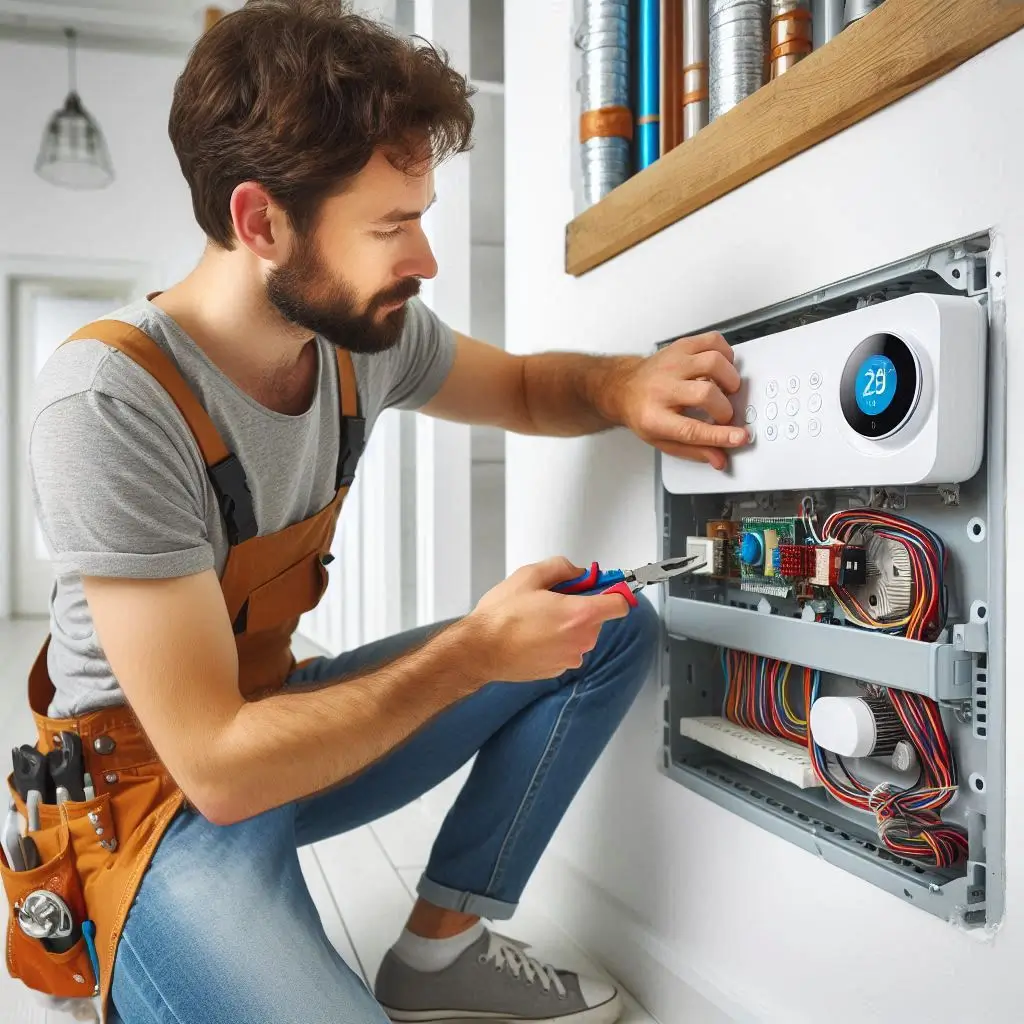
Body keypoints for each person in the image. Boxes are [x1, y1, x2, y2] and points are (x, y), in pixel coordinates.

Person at [25, 2, 748, 1023]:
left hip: (271, 716)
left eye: (421, 215)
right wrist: (474, 654)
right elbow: (217, 768)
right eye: (390, 226)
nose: (425, 259)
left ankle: (440, 953)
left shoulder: (362, 338)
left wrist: (623, 383)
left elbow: (526, 387)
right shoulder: (111, 402)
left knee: (606, 622)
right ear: (260, 222)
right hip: (151, 804)